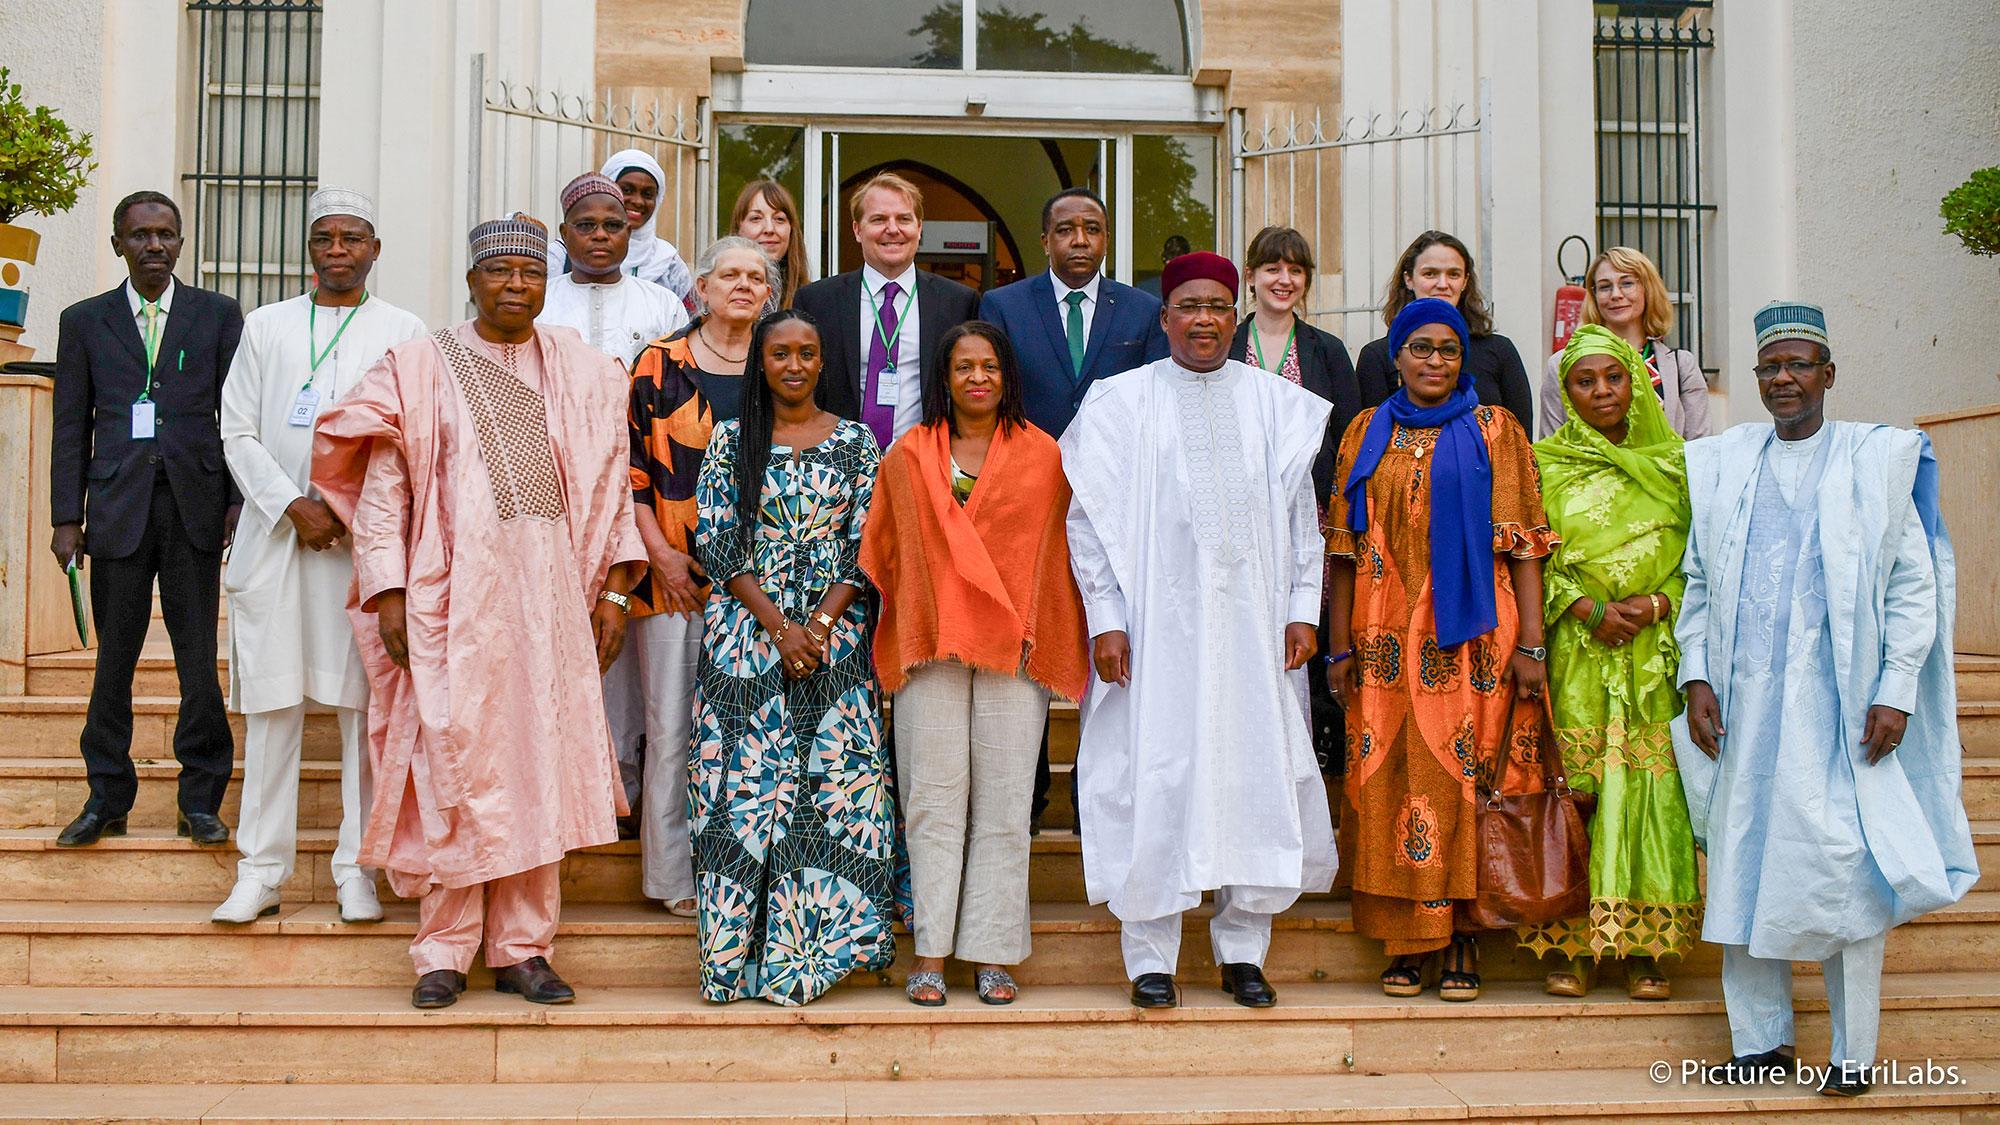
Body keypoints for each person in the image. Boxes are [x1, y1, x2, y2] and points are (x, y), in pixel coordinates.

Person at [310, 214, 647, 1010]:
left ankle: (524, 948)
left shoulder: (585, 369)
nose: (515, 285)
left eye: (530, 272)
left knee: (536, 769)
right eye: (499, 271)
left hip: (552, 605)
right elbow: (385, 488)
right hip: (448, 602)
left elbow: (614, 485)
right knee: (451, 768)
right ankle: (444, 949)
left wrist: (612, 591)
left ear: (546, 283)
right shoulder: (420, 365)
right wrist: (388, 588)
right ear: (472, 281)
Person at [1675, 302, 1977, 1097]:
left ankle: (1854, 1052)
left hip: (1842, 710)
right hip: (1744, 705)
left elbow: (1912, 586)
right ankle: (1759, 1041)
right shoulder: (1728, 464)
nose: (1783, 379)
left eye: (1799, 365)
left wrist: (1896, 689)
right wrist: (1696, 675)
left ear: (1828, 374)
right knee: (1742, 859)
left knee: (1848, 868)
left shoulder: (1873, 460)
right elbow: (1698, 580)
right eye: (1770, 367)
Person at [1062, 252, 1336, 1011]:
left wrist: (1302, 609)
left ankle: (1242, 949)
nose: (1204, 319)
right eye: (1189, 306)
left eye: (1218, 305)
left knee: (1254, 775)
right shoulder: (1121, 402)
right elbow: (1088, 525)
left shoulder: (1277, 404)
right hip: (1158, 632)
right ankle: (1150, 955)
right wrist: (1106, 620)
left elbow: (1302, 521)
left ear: (1235, 314)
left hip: (1254, 630)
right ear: (1165, 318)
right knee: (1156, 774)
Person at [1326, 296, 1554, 1003]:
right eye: (1420, 348)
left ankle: (1461, 936)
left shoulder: (1496, 429)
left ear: (1463, 358)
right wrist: (1338, 647)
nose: (1434, 361)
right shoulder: (1365, 430)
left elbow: (1526, 543)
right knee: (1390, 779)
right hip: (1383, 638)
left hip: (1474, 640)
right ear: (1395, 356)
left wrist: (1533, 645)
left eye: (1448, 349)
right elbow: (1342, 547)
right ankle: (1406, 938)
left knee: (1466, 779)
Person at [210, 187, 426, 925]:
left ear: (375, 249)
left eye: (352, 237)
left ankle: (356, 871)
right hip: (276, 543)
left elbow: (407, 436)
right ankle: (260, 870)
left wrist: (344, 508)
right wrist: (291, 504)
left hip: (361, 552)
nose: (338, 249)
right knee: (273, 709)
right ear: (310, 249)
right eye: (325, 238)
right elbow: (235, 430)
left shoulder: (404, 329)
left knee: (363, 712)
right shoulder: (266, 325)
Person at [860, 321, 1090, 1007]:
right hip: (932, 642)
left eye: (989, 365)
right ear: (944, 377)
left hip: (1012, 648)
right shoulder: (908, 453)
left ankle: (991, 951)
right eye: (964, 367)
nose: (978, 378)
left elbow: (1051, 555)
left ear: (1007, 374)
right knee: (931, 801)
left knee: (1005, 803)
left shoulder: (1043, 455)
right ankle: (929, 951)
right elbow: (888, 549)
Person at [689, 307, 899, 1006]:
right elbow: (717, 541)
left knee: (830, 789)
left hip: (835, 637)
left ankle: (813, 957)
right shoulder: (730, 439)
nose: (794, 365)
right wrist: (781, 627)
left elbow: (867, 544)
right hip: (746, 636)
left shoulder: (858, 442)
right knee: (744, 795)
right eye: (780, 353)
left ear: (822, 361)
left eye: (807, 353)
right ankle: (735, 963)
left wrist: (820, 623)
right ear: (761, 361)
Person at [49, 190, 244, 849]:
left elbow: (235, 415)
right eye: (139, 235)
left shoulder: (217, 315)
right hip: (116, 510)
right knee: (114, 662)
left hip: (195, 509)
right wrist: (65, 517)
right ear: (118, 245)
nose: (153, 245)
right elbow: (70, 424)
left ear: (181, 242)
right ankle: (107, 796)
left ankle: (201, 800)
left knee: (197, 660)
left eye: (165, 234)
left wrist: (237, 499)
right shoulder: (84, 321)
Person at [1514, 325, 1701, 1000]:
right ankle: (1576, 944)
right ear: (1565, 391)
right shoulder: (1542, 464)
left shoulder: (1677, 465)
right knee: (1581, 792)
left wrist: (1656, 603)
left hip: (1653, 655)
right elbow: (1528, 554)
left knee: (1652, 796)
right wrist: (1585, 606)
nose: (1601, 391)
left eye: (1613, 377)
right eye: (1584, 381)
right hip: (1576, 654)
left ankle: (1646, 945)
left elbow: (1700, 560)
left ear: (1637, 382)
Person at [977, 185, 1167, 831]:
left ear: (1106, 238)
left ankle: (1101, 800)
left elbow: (1152, 408)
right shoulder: (1003, 306)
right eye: (1066, 229)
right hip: (1026, 502)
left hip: (1115, 506)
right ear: (1045, 240)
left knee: (1110, 646)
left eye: (1091, 228)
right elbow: (992, 396)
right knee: (1026, 648)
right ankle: (1026, 798)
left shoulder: (1142, 311)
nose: (1079, 240)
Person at [626, 235, 777, 915]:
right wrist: (658, 552)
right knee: (672, 728)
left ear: (768, 295)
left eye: (756, 278)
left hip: (766, 579)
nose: (743, 286)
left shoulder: (781, 361)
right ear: (704, 287)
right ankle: (672, 877)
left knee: (754, 731)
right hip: (676, 577)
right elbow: (630, 468)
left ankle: (744, 872)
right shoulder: (660, 363)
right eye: (729, 275)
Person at [538, 171, 689, 834]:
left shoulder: (662, 305)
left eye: (612, 225)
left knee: (627, 643)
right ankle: (564, 786)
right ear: (564, 233)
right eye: (586, 226)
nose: (599, 236)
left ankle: (623, 785)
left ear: (631, 231)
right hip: (557, 494)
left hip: (641, 489)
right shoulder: (539, 300)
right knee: (562, 634)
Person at [1228, 224, 1377, 775]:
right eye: (1272, 268)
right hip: (1237, 515)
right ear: (1250, 276)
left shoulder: (1327, 351)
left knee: (1306, 625)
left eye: (1295, 270)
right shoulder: (1227, 344)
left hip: (1310, 514)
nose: (1283, 279)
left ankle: (1312, 750)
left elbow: (1351, 437)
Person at [794, 171, 980, 448]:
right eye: (879, 219)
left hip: (927, 458)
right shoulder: (817, 301)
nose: (893, 229)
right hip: (836, 459)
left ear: (919, 228)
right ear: (857, 230)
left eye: (904, 219)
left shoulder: (958, 303)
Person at [1352, 231, 1533, 431]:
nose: (1442, 284)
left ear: (1465, 281)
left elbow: (1520, 437)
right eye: (1430, 274)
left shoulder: (1499, 350)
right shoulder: (1377, 356)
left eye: (1453, 274)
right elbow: (1371, 435)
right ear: (1408, 279)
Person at [1537, 246, 1710, 440]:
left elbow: (1701, 447)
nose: (1616, 294)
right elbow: (1551, 445)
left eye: (1627, 283)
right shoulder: (1562, 364)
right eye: (1604, 287)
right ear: (1594, 295)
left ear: (1647, 289)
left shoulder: (1682, 366)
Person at [581, 148, 694, 305]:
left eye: (647, 194)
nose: (638, 201)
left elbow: (692, 316)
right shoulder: (570, 252)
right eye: (627, 190)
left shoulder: (669, 262)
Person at [732, 179, 807, 308]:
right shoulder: (714, 298)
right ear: (739, 228)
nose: (769, 229)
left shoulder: (812, 302)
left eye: (779, 219)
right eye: (756, 218)